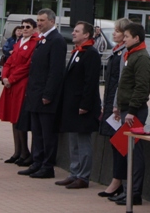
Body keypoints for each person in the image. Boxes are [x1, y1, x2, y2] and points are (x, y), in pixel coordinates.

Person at [17, 9, 66, 179]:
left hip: (45, 97)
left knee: (47, 133)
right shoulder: (42, 39)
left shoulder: (57, 40)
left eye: (42, 20)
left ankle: (47, 165)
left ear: (52, 21)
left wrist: (48, 94)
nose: (39, 23)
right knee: (37, 132)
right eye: (37, 20)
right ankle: (37, 162)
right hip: (34, 94)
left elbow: (55, 71)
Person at [109, 22, 150, 206]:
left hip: (134, 110)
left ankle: (134, 192)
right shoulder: (132, 55)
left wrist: (132, 110)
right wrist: (120, 106)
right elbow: (125, 84)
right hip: (127, 108)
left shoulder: (141, 58)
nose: (123, 39)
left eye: (126, 36)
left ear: (136, 38)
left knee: (134, 152)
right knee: (126, 150)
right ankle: (128, 190)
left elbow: (142, 87)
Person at [57, 21, 102, 189]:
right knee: (73, 140)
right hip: (72, 104)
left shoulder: (91, 54)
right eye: (74, 31)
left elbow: (90, 82)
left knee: (83, 141)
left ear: (86, 35)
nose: (73, 33)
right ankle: (74, 172)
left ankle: (83, 176)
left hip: (83, 106)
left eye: (77, 31)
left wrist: (85, 104)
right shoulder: (77, 51)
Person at [0, 18, 38, 165]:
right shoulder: (20, 42)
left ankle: (24, 151)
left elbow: (27, 66)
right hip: (11, 84)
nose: (24, 29)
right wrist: (4, 76)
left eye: (28, 27)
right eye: (23, 26)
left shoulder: (34, 43)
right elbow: (9, 61)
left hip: (20, 83)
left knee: (19, 118)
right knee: (13, 118)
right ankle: (17, 151)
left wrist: (11, 78)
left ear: (34, 29)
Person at [97, 17, 130, 199]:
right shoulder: (116, 51)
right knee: (114, 143)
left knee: (120, 144)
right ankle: (116, 179)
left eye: (117, 31)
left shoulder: (125, 53)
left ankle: (119, 181)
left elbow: (121, 82)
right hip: (111, 103)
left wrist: (116, 105)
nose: (114, 34)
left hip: (118, 105)